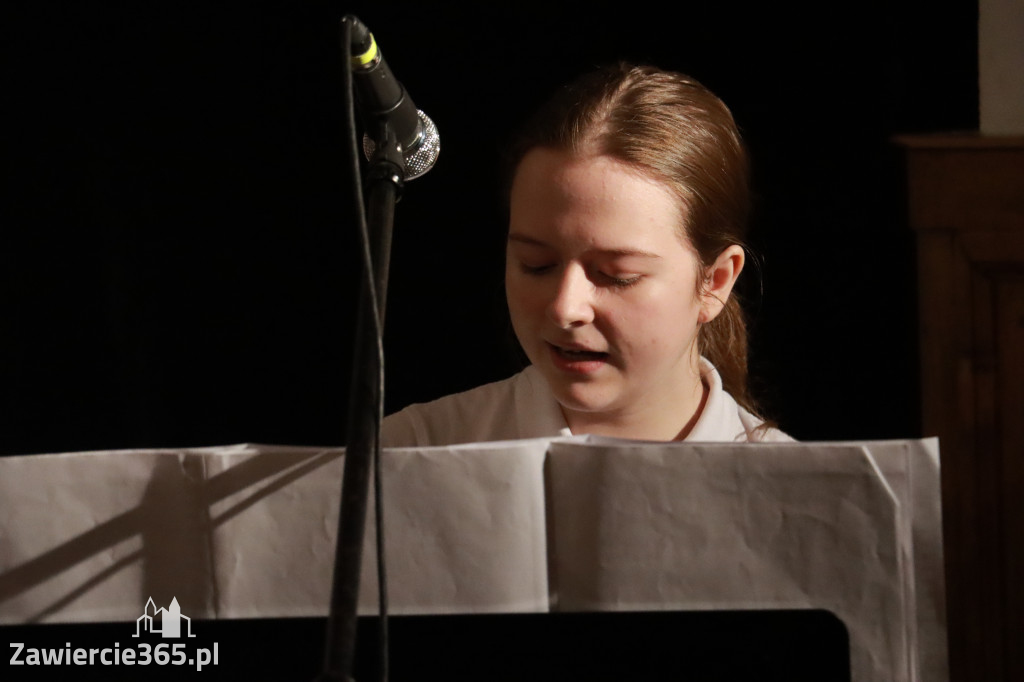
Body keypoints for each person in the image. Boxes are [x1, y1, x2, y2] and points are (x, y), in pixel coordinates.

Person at [382, 63, 792, 447]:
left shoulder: (796, 487)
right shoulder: (406, 453)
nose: (565, 308)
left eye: (617, 274)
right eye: (537, 266)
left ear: (716, 281)